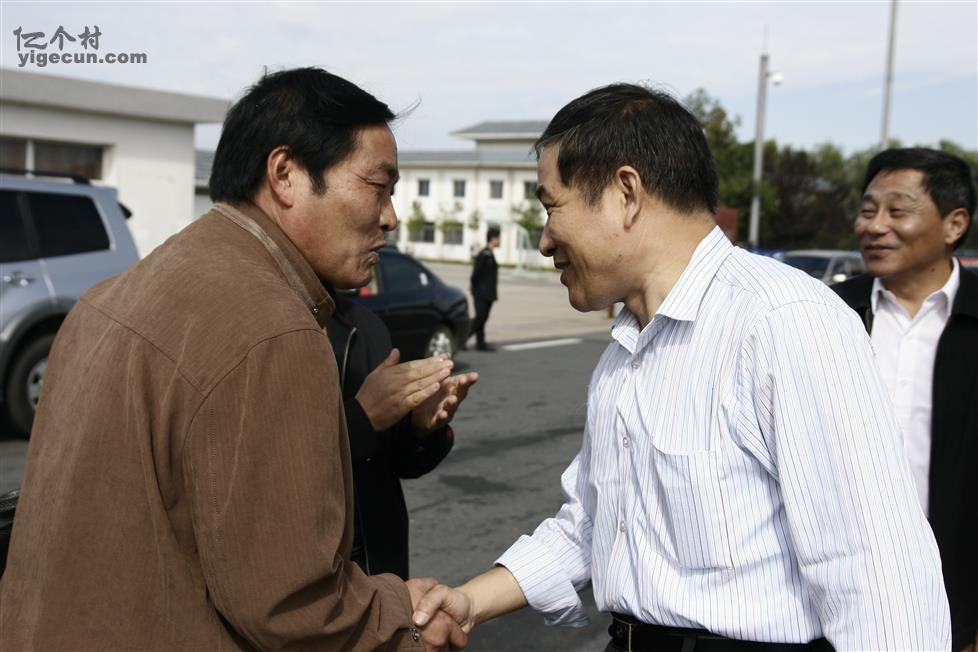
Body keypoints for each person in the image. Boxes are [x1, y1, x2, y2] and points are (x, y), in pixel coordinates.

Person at [412, 83, 951, 651]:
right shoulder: (625, 351)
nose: (545, 241)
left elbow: (876, 575)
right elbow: (594, 524)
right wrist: (470, 601)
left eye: (552, 207)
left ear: (626, 193)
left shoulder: (784, 321)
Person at [0, 67, 466, 652]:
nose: (390, 215)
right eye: (378, 186)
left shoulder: (110, 296)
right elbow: (296, 607)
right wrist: (404, 617)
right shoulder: (273, 328)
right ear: (286, 174)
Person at [833, 147, 977, 652]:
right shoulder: (829, 315)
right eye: (868, 210)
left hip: (954, 605)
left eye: (897, 211)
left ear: (954, 224)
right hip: (835, 602)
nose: (875, 226)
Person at [327, 292, 478, 579]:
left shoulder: (366, 326)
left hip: (376, 574)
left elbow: (395, 463)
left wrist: (418, 428)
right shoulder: (261, 329)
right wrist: (360, 419)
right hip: (305, 582)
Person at [467, 227, 500, 351]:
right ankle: (463, 337)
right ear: (493, 239)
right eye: (498, 238)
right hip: (481, 293)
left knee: (483, 318)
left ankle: (480, 343)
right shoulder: (484, 254)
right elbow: (475, 273)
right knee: (480, 317)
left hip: (488, 293)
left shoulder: (490, 253)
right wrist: (473, 287)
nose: (499, 241)